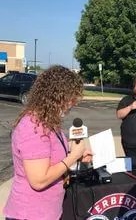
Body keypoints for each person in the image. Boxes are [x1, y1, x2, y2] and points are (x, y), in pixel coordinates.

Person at [4, 66, 91, 220]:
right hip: (30, 214)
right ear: (56, 96)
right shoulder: (33, 126)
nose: (73, 103)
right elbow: (39, 180)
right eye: (71, 98)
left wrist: (75, 152)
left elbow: (52, 155)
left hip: (48, 212)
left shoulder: (48, 121)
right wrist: (73, 157)